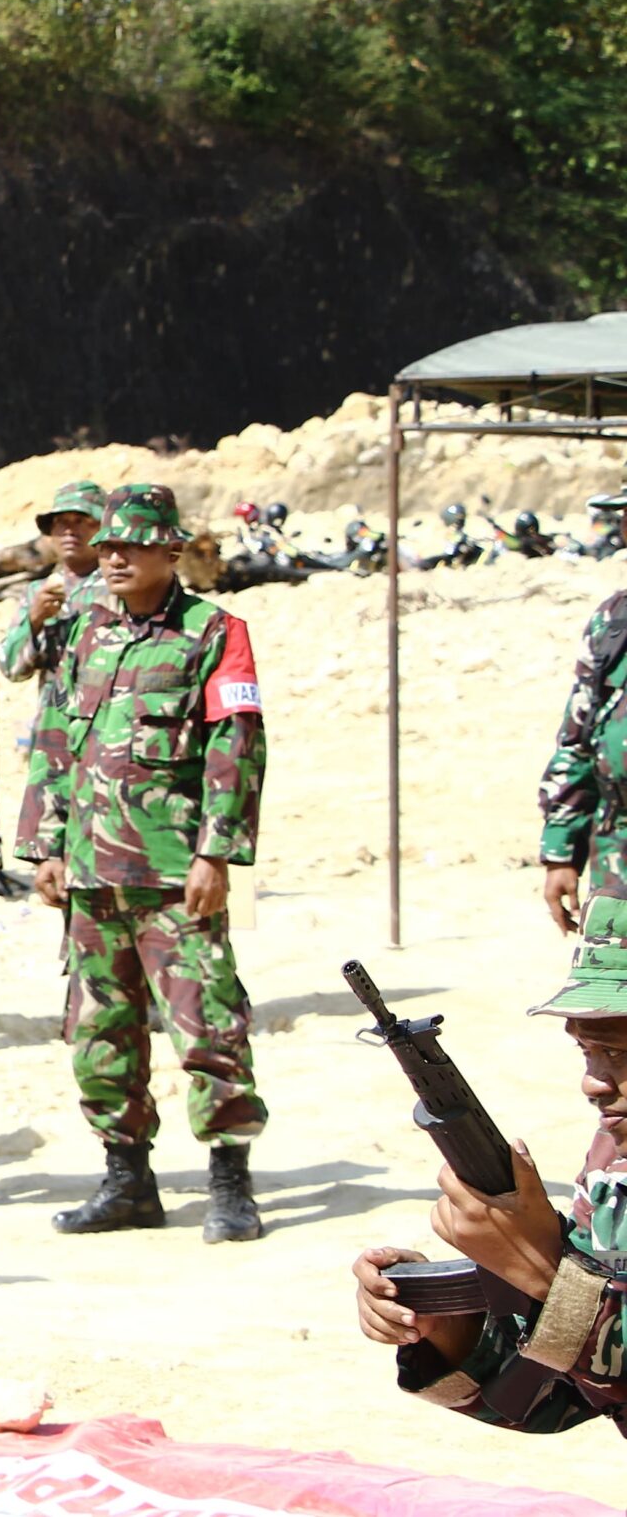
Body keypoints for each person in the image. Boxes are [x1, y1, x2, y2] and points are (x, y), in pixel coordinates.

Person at [19, 484, 268, 1243]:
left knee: (207, 1026)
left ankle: (231, 1181)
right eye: (108, 547)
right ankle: (128, 1180)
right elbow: (54, 738)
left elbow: (237, 746)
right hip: (92, 875)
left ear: (172, 550)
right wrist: (46, 845)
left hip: (172, 874)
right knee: (101, 1031)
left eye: (132, 546)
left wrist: (217, 852)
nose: (115, 557)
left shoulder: (215, 631)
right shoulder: (84, 632)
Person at [355, 941, 627, 1431]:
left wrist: (546, 1275)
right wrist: (449, 1328)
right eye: (587, 1050)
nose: (594, 1082)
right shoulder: (614, 1160)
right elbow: (565, 1397)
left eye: (619, 1052)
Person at [541, 563, 627, 950]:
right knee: (607, 1004)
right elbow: (579, 737)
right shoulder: (614, 621)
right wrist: (561, 852)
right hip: (618, 861)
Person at [0, 480, 110, 702]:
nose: (69, 531)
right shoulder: (39, 592)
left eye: (81, 520)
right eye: (60, 522)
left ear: (102, 527)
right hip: (54, 725)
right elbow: (12, 669)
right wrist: (35, 619)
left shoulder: (118, 588)